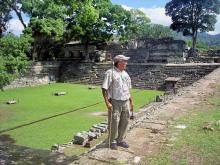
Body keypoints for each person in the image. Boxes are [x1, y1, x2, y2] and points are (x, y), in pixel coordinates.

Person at [102, 54, 134, 150]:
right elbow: (104, 88)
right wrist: (107, 102)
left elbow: (128, 89)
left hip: (125, 101)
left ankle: (120, 140)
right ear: (118, 62)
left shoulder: (125, 74)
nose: (126, 63)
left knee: (125, 121)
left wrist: (131, 101)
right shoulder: (110, 73)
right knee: (114, 121)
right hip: (115, 101)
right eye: (124, 61)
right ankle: (112, 141)